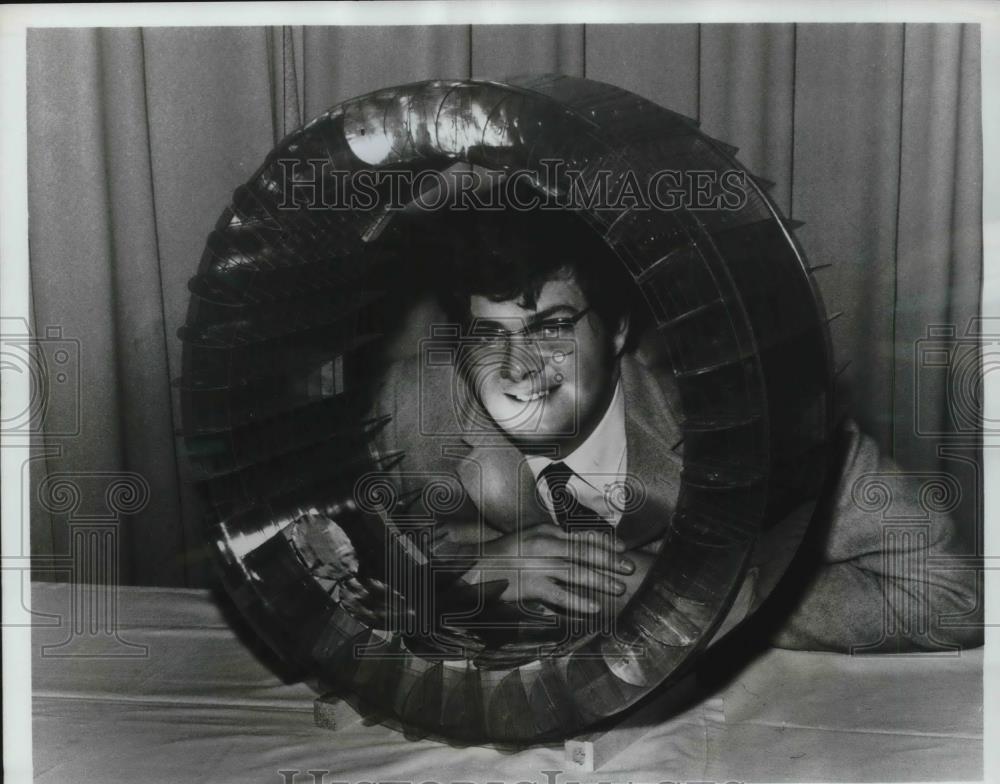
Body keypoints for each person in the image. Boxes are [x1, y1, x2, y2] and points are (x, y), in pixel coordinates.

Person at [337, 204, 982, 655]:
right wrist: (466, 577)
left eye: (549, 327)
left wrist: (687, 598)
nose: (515, 368)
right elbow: (311, 551)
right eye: (488, 335)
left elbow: (953, 597)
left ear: (617, 330)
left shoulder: (758, 423)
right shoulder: (415, 405)